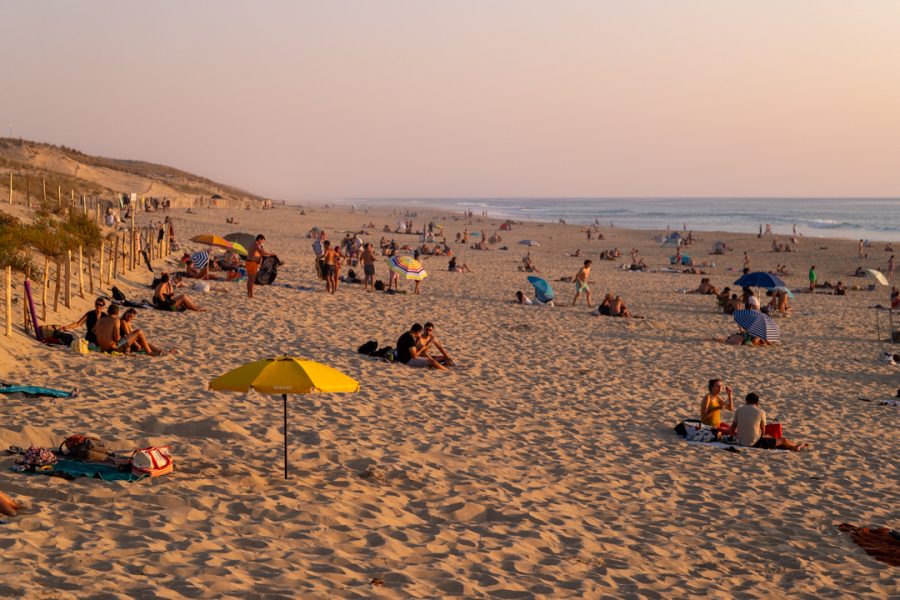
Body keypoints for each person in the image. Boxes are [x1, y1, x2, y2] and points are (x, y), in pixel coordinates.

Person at [730, 393, 807, 451]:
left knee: (772, 439)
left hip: (740, 442)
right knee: (783, 440)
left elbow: (732, 428)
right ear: (757, 403)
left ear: (746, 401)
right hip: (754, 443)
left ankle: (794, 444)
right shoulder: (761, 412)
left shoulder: (739, 410)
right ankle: (796, 447)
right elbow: (763, 432)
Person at [246, 234, 273, 299]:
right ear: (259, 239)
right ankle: (251, 295)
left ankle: (248, 294)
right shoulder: (256, 245)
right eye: (263, 241)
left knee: (249, 279)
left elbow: (258, 253)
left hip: (248, 262)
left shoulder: (252, 244)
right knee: (252, 280)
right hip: (252, 263)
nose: (263, 242)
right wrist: (271, 253)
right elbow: (262, 253)